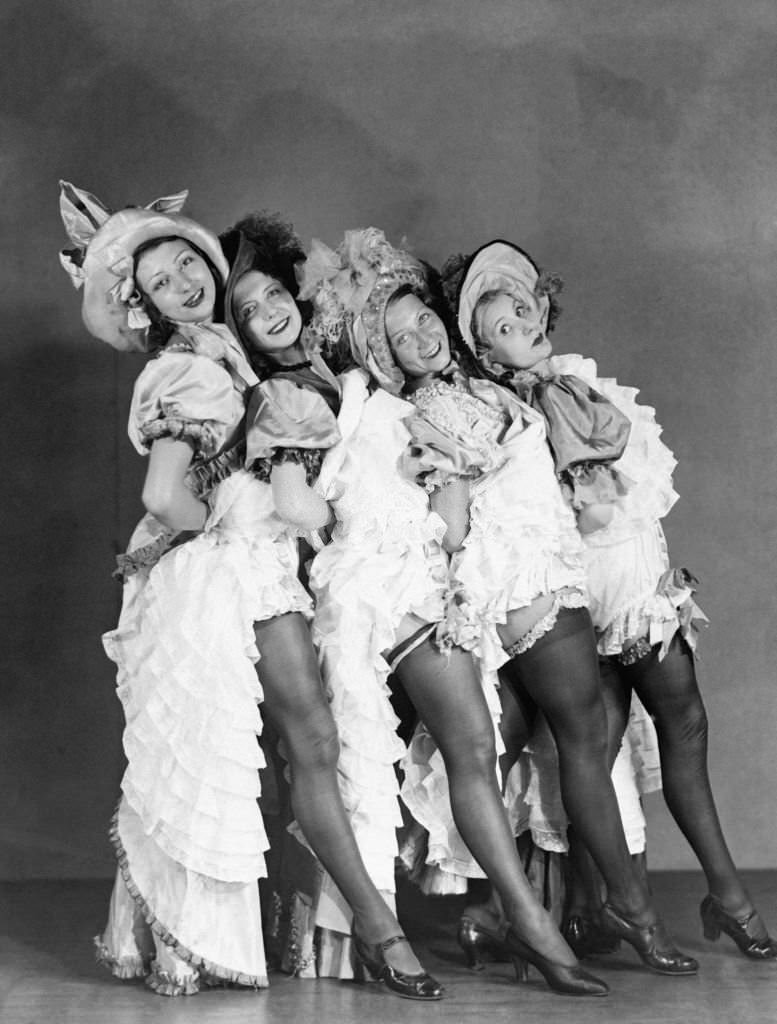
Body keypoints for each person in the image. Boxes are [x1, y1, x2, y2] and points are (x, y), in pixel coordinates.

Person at [57, 183, 440, 1000]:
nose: (184, 285)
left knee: (294, 745)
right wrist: (220, 525)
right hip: (223, 569)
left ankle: (353, 929)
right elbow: (165, 498)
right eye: (160, 283)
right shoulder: (187, 365)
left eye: (187, 266)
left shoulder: (224, 350)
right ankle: (376, 931)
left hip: (252, 563)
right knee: (283, 745)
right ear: (143, 305)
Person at [226, 219, 610, 998]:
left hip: (431, 584)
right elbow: (305, 498)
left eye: (421, 321)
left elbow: (453, 513)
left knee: (479, 740)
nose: (413, 338)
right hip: (373, 586)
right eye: (393, 332)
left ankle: (523, 917)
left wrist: (445, 488)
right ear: (374, 346)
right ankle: (492, 924)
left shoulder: (410, 402)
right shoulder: (342, 399)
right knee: (427, 745)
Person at [451, 238, 777, 962]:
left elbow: (632, 500)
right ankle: (620, 910)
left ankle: (725, 897)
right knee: (594, 744)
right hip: (580, 585)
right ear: (484, 350)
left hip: (634, 575)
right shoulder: (508, 406)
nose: (524, 327)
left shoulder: (576, 378)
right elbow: (578, 511)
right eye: (502, 327)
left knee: (682, 725)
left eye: (525, 310)